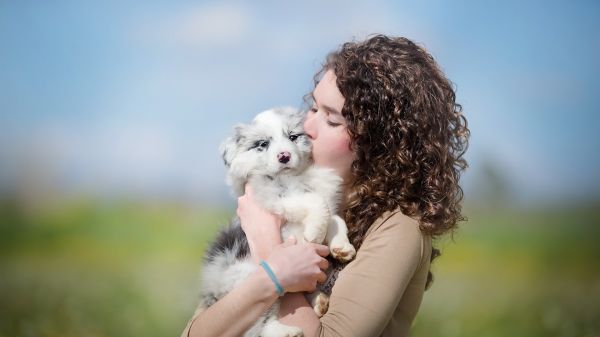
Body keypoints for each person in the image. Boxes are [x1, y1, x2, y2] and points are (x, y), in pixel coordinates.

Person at [181, 34, 469, 337]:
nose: (306, 126)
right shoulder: (293, 204)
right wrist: (270, 268)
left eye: (331, 120)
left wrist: (270, 252)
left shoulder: (399, 229)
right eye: (313, 108)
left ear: (380, 145)